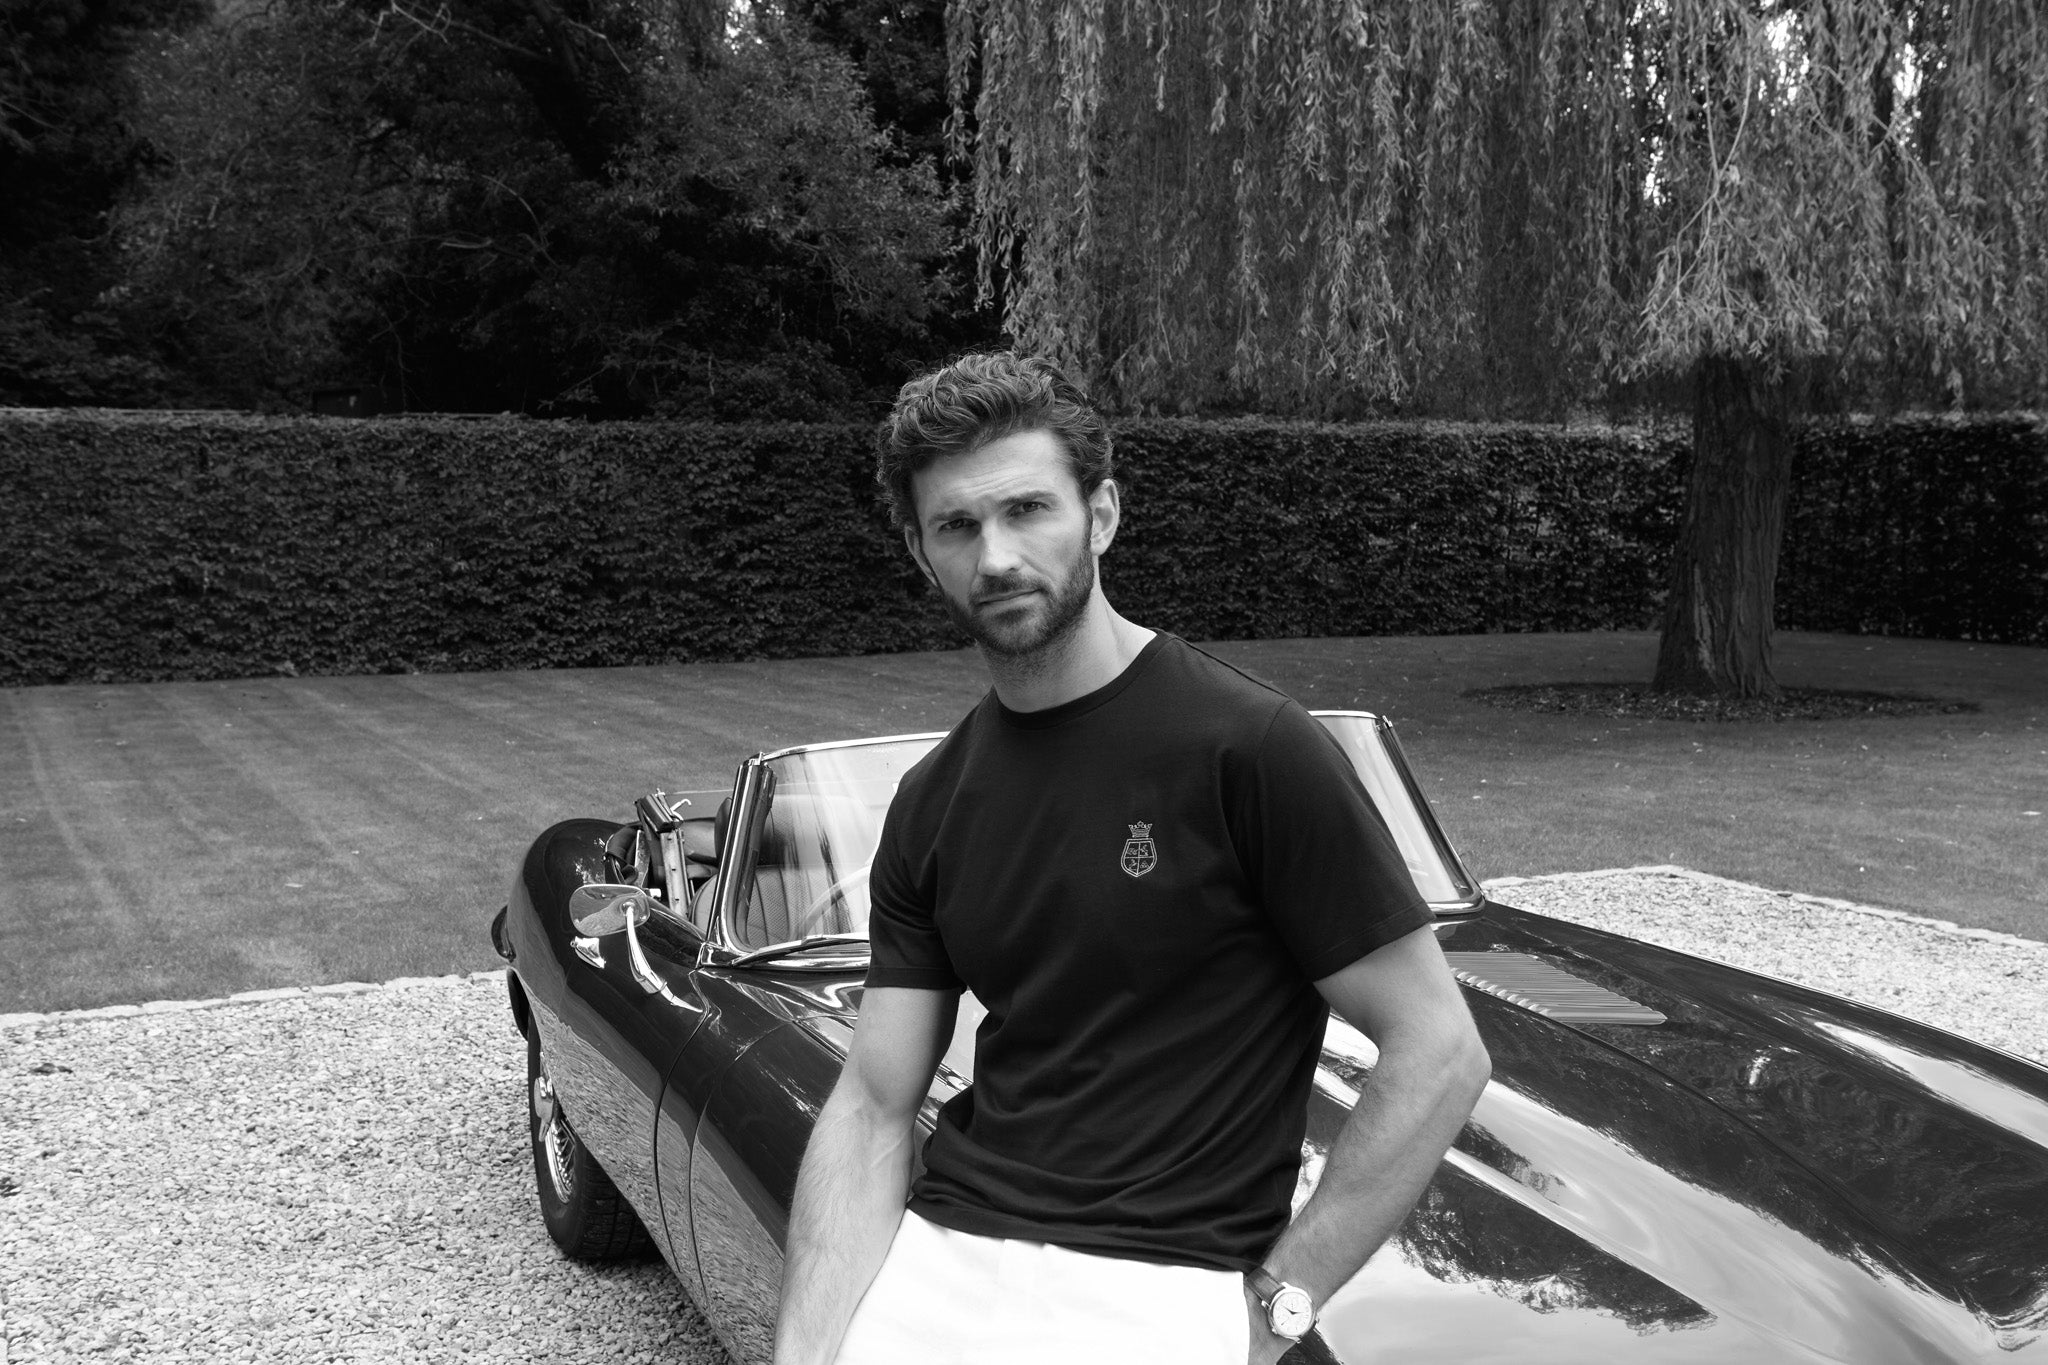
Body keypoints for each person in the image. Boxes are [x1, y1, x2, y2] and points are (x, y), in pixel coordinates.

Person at [772, 351, 1491, 1365]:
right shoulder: (930, 802)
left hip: (1159, 1297)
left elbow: (1438, 1049)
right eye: (957, 526)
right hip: (939, 1269)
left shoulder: (1251, 750)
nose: (996, 559)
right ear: (917, 551)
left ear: (1101, 514)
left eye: (1028, 510)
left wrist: (1275, 1312)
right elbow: (874, 1101)